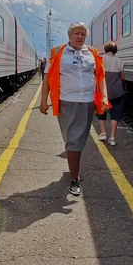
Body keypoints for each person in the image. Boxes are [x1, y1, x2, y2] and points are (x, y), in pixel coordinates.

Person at [39, 23, 109, 196]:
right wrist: (43, 101)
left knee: (79, 139)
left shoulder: (92, 53)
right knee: (73, 140)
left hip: (87, 102)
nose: (80, 37)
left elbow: (100, 77)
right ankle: (74, 179)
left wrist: (104, 97)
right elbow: (47, 78)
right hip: (66, 101)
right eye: (77, 33)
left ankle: (73, 165)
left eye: (83, 34)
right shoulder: (58, 52)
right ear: (69, 35)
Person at [96, 42, 125, 146]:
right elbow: (122, 77)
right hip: (116, 91)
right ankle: (112, 137)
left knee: (101, 112)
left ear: (105, 49)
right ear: (115, 50)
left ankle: (103, 133)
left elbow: (96, 74)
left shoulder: (100, 59)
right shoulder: (120, 61)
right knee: (115, 115)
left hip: (103, 90)